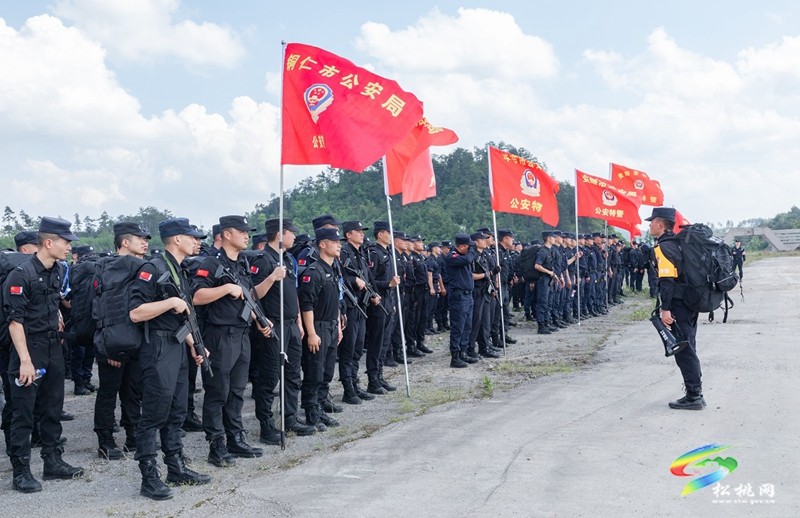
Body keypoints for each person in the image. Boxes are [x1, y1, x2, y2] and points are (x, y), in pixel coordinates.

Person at [129, 218, 211, 499]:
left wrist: (193, 343)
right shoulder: (152, 268)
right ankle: (148, 476)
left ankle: (175, 466)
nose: (197, 241)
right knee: (154, 413)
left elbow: (180, 316)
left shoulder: (179, 269)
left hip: (176, 346)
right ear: (176, 239)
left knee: (177, 410)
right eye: (192, 236)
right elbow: (136, 312)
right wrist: (171, 302)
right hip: (157, 348)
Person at [4, 217, 84, 493]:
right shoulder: (21, 274)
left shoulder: (58, 269)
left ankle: (52, 462)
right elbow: (15, 322)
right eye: (65, 242)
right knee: (24, 412)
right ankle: (21, 471)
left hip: (53, 348)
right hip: (29, 350)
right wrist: (25, 361)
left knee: (52, 408)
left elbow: (51, 301)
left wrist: (58, 314)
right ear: (49, 242)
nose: (68, 247)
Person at [192, 215, 272, 467]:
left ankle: (235, 438)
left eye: (248, 232)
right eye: (242, 231)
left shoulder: (243, 263)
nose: (247, 235)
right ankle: (216, 445)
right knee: (218, 392)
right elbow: (195, 296)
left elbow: (249, 296)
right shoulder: (211, 263)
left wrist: (261, 319)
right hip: (219, 335)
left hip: (242, 333)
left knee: (237, 391)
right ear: (227, 234)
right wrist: (225, 289)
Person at [249, 218, 317, 445]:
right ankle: (266, 425)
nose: (294, 237)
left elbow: (293, 292)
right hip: (273, 325)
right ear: (280, 234)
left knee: (292, 375)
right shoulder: (263, 259)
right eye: (291, 233)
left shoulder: (287, 258)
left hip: (290, 324)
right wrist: (272, 277)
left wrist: (297, 317)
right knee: (269, 377)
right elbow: (253, 294)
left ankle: (289, 417)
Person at [93, 222, 151, 461]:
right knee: (108, 392)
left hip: (136, 341)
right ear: (125, 242)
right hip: (111, 344)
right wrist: (106, 348)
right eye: (139, 238)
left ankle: (133, 435)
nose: (145, 242)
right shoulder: (105, 268)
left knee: (133, 391)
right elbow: (96, 311)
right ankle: (105, 441)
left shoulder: (139, 268)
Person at [647, 207, 706, 410]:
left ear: (660, 224)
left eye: (651, 221)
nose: (649, 225)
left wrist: (665, 309)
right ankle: (695, 391)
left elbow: (667, 281)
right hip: (691, 302)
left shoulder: (663, 248)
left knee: (683, 349)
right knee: (689, 344)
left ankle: (694, 395)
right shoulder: (679, 244)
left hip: (678, 306)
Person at [298, 228, 344, 430]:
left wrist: (338, 327)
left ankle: (321, 406)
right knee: (314, 371)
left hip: (332, 326)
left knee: (326, 371)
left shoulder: (333, 269)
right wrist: (311, 333)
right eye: (335, 242)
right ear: (323, 244)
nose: (339, 245)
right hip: (317, 327)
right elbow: (306, 305)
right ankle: (311, 410)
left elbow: (335, 301)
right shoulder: (313, 271)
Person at [338, 221, 379, 404]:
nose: (362, 234)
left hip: (361, 306)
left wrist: (373, 293)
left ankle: (355, 384)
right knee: (348, 349)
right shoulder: (344, 252)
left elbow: (368, 278)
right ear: (348, 234)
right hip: (350, 305)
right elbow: (339, 276)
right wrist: (353, 279)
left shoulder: (360, 253)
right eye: (358, 231)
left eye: (362, 231)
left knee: (357, 349)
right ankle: (348, 389)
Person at [443, 233, 477, 368]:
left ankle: (463, 352)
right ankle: (455, 357)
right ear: (461, 246)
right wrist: (473, 250)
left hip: (468, 296)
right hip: (458, 297)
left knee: (467, 326)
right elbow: (468, 259)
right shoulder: (452, 257)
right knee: (458, 328)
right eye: (468, 247)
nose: (470, 249)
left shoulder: (463, 256)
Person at [534, 231, 558, 334]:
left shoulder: (550, 251)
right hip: (543, 280)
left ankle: (546, 322)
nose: (554, 239)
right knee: (542, 302)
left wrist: (554, 275)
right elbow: (537, 266)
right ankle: (541, 325)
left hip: (549, 279)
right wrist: (549, 272)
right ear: (548, 238)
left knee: (548, 302)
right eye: (553, 237)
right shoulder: (543, 251)